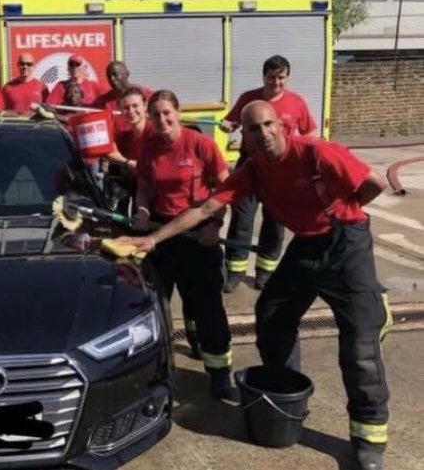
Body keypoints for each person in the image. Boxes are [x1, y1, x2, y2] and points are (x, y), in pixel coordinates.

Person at [118, 100, 391, 470]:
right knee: (272, 313)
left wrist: (344, 212)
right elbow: (204, 208)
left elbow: (374, 183)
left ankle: (368, 436)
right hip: (308, 246)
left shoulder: (316, 152)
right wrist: (153, 240)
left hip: (347, 242)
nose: (263, 134)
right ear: (243, 136)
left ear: (282, 125)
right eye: (253, 129)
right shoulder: (254, 171)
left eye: (267, 125)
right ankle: (286, 388)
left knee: (359, 341)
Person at [131, 90, 233, 398]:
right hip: (161, 235)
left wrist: (215, 225)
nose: (162, 119)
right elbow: (145, 188)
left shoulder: (200, 144)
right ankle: (157, 370)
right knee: (156, 306)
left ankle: (219, 372)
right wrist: (142, 211)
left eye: (167, 113)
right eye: (156, 114)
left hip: (198, 235)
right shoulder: (148, 148)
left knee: (207, 306)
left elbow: (224, 189)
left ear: (177, 112)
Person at [220, 54, 316, 292]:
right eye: (271, 77)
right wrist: (227, 125)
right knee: (242, 219)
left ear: (288, 77)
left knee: (275, 221)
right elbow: (231, 122)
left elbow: (311, 133)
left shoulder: (297, 102)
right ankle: (234, 272)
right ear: (263, 77)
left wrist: (298, 148)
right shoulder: (248, 99)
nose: (276, 83)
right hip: (250, 166)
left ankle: (265, 273)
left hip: (282, 169)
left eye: (281, 78)